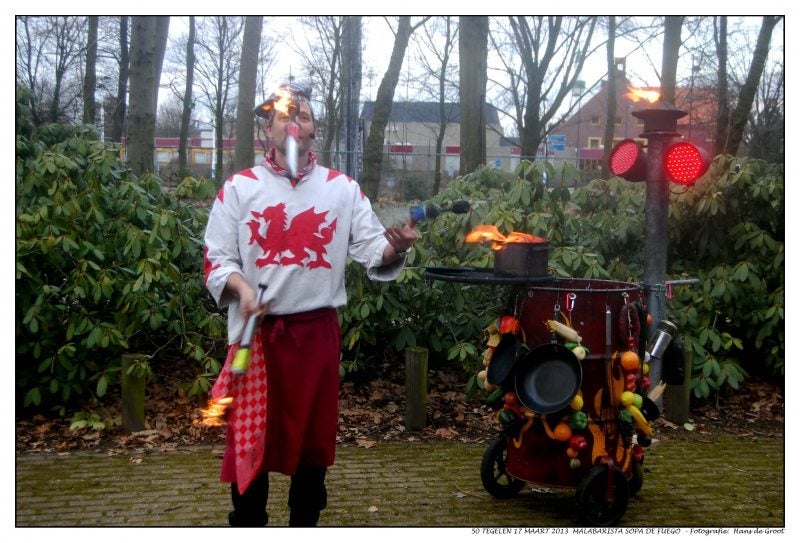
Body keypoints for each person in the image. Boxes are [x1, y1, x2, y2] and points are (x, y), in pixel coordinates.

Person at [203, 82, 418, 527]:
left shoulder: (341, 189)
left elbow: (371, 248)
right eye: (284, 115)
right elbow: (217, 259)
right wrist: (242, 289)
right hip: (255, 338)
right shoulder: (239, 188)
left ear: (313, 129)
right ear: (268, 130)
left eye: (302, 116)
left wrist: (396, 247)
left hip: (316, 337)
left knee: (312, 444)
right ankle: (247, 524)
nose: (293, 122)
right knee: (251, 441)